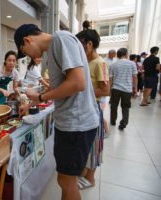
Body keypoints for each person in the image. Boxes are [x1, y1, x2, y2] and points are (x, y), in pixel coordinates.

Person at [14, 24, 99, 200]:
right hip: (69, 123)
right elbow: (61, 85)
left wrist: (42, 98)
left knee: (66, 181)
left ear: (27, 40)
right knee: (66, 180)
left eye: (25, 52)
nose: (29, 56)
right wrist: (31, 103)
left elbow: (77, 83)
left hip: (76, 124)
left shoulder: (60, 38)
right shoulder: (52, 49)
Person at [76, 28, 109, 189]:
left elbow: (105, 90)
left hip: (93, 109)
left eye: (80, 45)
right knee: (86, 144)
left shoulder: (100, 63)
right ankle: (84, 173)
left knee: (95, 144)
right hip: (84, 108)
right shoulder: (86, 62)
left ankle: (91, 178)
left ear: (89, 44)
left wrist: (81, 89)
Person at [109, 48, 137, 130]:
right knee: (125, 107)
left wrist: (109, 89)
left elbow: (110, 79)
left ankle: (113, 121)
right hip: (127, 90)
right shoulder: (132, 63)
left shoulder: (113, 65)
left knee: (114, 106)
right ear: (125, 54)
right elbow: (135, 77)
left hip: (116, 89)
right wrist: (135, 89)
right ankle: (124, 123)